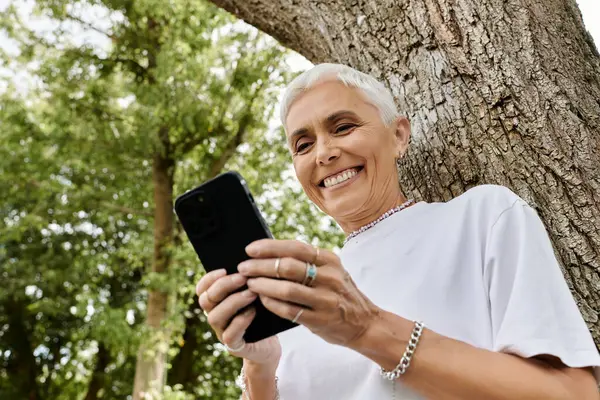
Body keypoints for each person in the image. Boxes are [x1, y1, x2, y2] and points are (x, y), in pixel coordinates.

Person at [195, 63, 600, 400]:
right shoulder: (297, 297)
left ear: (399, 136)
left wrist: (367, 328)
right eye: (302, 145)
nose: (323, 153)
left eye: (342, 127)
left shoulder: (482, 217)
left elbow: (574, 394)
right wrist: (260, 365)